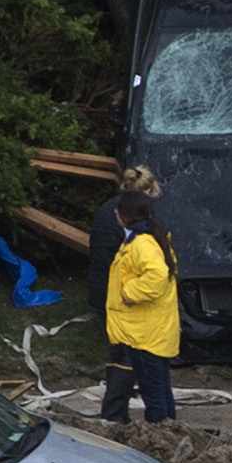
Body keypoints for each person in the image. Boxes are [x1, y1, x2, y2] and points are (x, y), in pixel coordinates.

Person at [88, 162, 165, 420]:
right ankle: (116, 417)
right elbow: (153, 273)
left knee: (122, 360)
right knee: (128, 361)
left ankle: (117, 415)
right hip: (119, 301)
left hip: (112, 297)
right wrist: (130, 293)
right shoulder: (134, 232)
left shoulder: (113, 214)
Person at [104, 190, 180, 426]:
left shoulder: (141, 244)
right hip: (152, 331)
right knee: (160, 387)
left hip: (145, 334)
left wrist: (129, 293)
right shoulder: (150, 238)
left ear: (123, 216)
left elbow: (157, 276)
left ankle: (162, 437)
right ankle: (170, 430)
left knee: (153, 392)